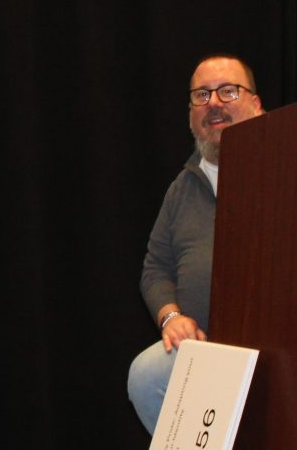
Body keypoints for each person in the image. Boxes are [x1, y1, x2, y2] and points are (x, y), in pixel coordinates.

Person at [127, 54, 264, 434]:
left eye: (227, 91)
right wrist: (171, 317)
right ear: (191, 115)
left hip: (281, 342)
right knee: (146, 375)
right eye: (202, 96)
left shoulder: (284, 166)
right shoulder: (182, 189)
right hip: (208, 347)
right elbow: (155, 268)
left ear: (256, 103)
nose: (214, 103)